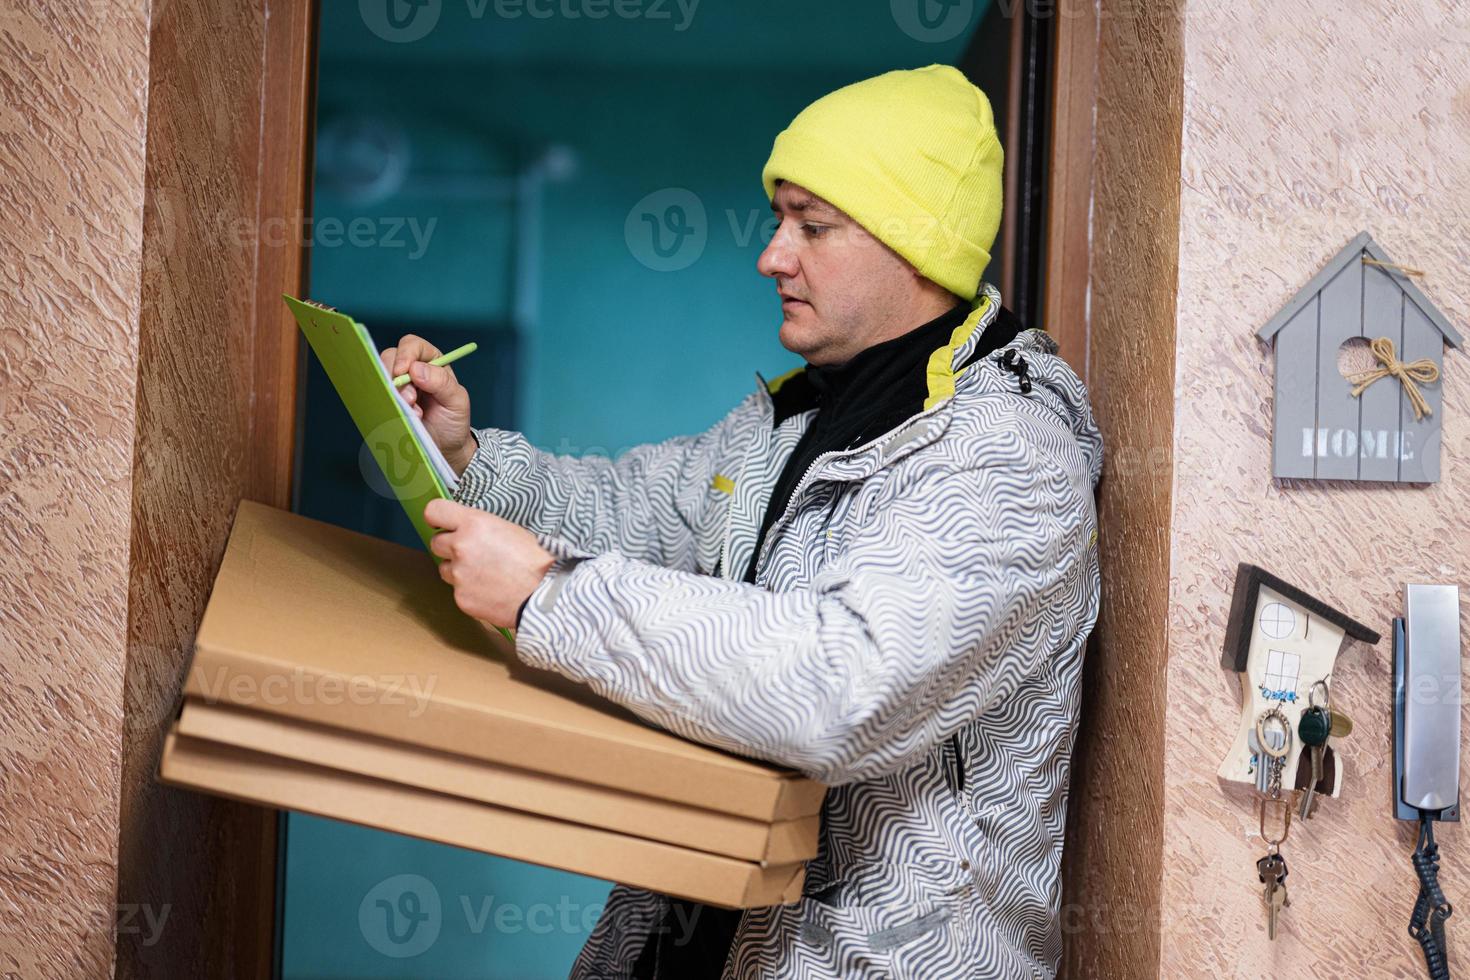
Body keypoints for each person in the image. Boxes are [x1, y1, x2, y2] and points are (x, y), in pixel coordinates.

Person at [382, 64, 1102, 980]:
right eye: (777, 221)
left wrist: (546, 599)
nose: (772, 255)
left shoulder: (1007, 462)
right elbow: (627, 514)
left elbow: (843, 689)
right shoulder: (796, 420)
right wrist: (468, 458)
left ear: (913, 244)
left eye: (812, 225)